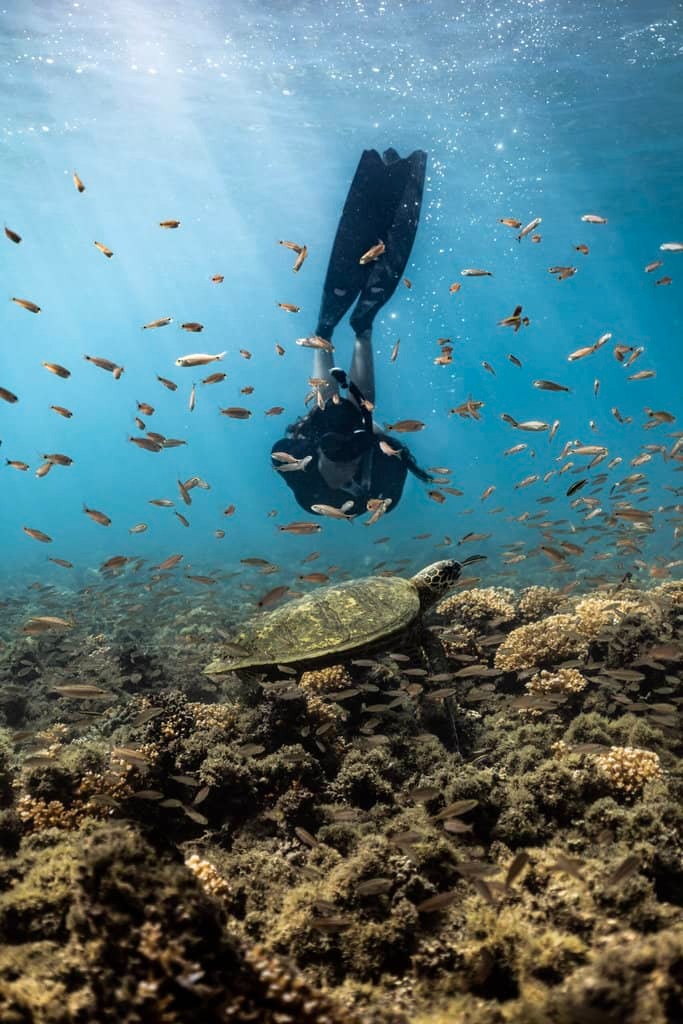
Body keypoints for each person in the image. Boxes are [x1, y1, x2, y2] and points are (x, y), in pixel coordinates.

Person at [272, 147, 434, 519]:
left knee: (325, 411)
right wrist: (372, 434)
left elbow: (280, 452)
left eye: (340, 464)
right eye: (345, 464)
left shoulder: (305, 479)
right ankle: (363, 329)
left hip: (322, 432)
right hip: (368, 433)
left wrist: (317, 439)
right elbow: (396, 455)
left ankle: (323, 332)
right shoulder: (383, 488)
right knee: (362, 415)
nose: (344, 470)